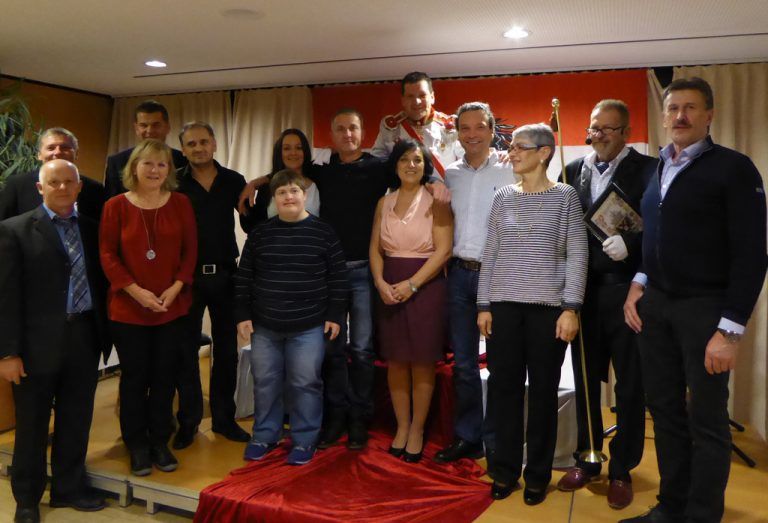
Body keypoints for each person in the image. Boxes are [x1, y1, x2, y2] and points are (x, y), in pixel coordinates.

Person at [621, 77, 767, 523]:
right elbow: (655, 236)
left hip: (706, 309)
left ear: (709, 115)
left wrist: (730, 330)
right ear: (664, 116)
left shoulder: (734, 168)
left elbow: (751, 254)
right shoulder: (658, 169)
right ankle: (672, 505)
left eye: (690, 107)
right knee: (663, 412)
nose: (680, 116)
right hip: (657, 307)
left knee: (705, 419)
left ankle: (702, 515)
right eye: (673, 108)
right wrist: (639, 281)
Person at [477, 123, 588, 503]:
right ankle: (505, 470)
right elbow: (489, 252)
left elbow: (577, 254)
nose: (512, 153)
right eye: (511, 146)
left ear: (544, 153)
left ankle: (538, 473)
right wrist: (483, 304)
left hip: (548, 312)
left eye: (520, 147)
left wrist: (571, 307)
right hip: (504, 309)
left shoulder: (565, 197)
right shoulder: (503, 196)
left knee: (543, 393)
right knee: (505, 392)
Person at [557, 99, 656, 510]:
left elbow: (662, 227)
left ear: (626, 132)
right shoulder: (573, 171)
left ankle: (622, 468)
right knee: (585, 379)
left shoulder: (649, 170)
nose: (598, 136)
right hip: (584, 292)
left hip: (627, 291)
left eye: (608, 129)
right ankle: (589, 457)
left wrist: (632, 245)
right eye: (594, 128)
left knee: (630, 385)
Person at [0, 160, 111, 523]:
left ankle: (68, 488)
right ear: (40, 188)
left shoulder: (94, 230)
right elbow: (5, 297)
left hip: (83, 336)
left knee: (76, 419)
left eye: (69, 182)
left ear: (79, 187)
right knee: (31, 427)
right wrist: (7, 352)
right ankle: (27, 500)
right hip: (33, 347)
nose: (62, 188)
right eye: (54, 183)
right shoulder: (13, 230)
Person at [234, 169, 348, 466]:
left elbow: (338, 278)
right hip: (265, 325)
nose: (288, 196)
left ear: (304, 195)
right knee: (265, 382)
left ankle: (304, 440)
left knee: (305, 383)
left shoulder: (324, 232)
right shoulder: (260, 234)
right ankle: (264, 435)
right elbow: (244, 277)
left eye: (293, 191)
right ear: (274, 198)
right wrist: (243, 315)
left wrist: (335, 315)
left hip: (309, 326)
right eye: (282, 192)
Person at [99, 139, 197, 477]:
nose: (155, 170)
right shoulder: (115, 206)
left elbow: (190, 251)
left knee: (164, 377)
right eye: (148, 164)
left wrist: (176, 288)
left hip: (172, 306)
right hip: (129, 310)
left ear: (168, 170)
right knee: (135, 378)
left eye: (161, 164)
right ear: (134, 168)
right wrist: (136, 292)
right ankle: (136, 444)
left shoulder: (182, 203)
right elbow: (107, 255)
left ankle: (159, 440)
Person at [435, 102, 516, 465]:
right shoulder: (448, 174)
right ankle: (469, 437)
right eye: (464, 128)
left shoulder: (509, 167)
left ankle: (497, 437)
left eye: (478, 127)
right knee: (464, 365)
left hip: (498, 275)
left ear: (490, 129)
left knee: (499, 364)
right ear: (457, 131)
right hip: (459, 275)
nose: (471, 135)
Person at [311, 108, 393, 450]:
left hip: (364, 271)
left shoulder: (377, 168)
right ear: (332, 134)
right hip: (329, 274)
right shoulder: (322, 172)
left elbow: (416, 167)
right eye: (341, 128)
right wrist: (256, 182)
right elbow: (282, 172)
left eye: (353, 128)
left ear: (362, 132)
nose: (347, 134)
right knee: (332, 350)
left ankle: (360, 418)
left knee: (361, 350)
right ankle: (337, 417)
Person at [369, 139, 453, 463]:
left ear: (425, 165)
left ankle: (417, 430)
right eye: (404, 160)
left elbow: (444, 250)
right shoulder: (383, 201)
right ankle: (401, 427)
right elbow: (375, 248)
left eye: (417, 160)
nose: (411, 165)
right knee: (396, 361)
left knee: (420, 362)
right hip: (389, 284)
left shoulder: (437, 200)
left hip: (426, 286)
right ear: (395, 165)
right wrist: (379, 282)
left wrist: (413, 284)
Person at [172, 122, 250, 449]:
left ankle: (223, 419)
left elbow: (251, 220)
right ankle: (188, 422)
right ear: (184, 148)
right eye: (191, 144)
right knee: (186, 351)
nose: (199, 148)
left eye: (204, 142)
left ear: (215, 144)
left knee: (226, 352)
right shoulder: (173, 181)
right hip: (186, 278)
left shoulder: (233, 181)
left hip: (225, 275)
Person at [0, 127, 105, 222]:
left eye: (65, 147)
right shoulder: (16, 185)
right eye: (51, 148)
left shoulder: (94, 189)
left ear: (76, 154)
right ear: (39, 155)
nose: (58, 152)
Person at [372, 71, 463, 178]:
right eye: (410, 96)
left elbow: (467, 161)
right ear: (403, 100)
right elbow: (377, 161)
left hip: (444, 192)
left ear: (432, 97)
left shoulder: (451, 125)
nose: (417, 102)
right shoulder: (390, 128)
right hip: (406, 193)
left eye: (422, 95)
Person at [104, 100, 187, 199]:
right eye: (143, 125)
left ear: (167, 127)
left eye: (156, 125)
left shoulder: (183, 160)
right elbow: (110, 202)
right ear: (136, 128)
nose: (149, 131)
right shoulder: (116, 162)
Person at [241, 128, 320, 231]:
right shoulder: (267, 187)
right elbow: (255, 228)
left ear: (305, 151)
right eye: (287, 148)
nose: (293, 153)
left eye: (299, 148)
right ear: (279, 153)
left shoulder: (318, 183)